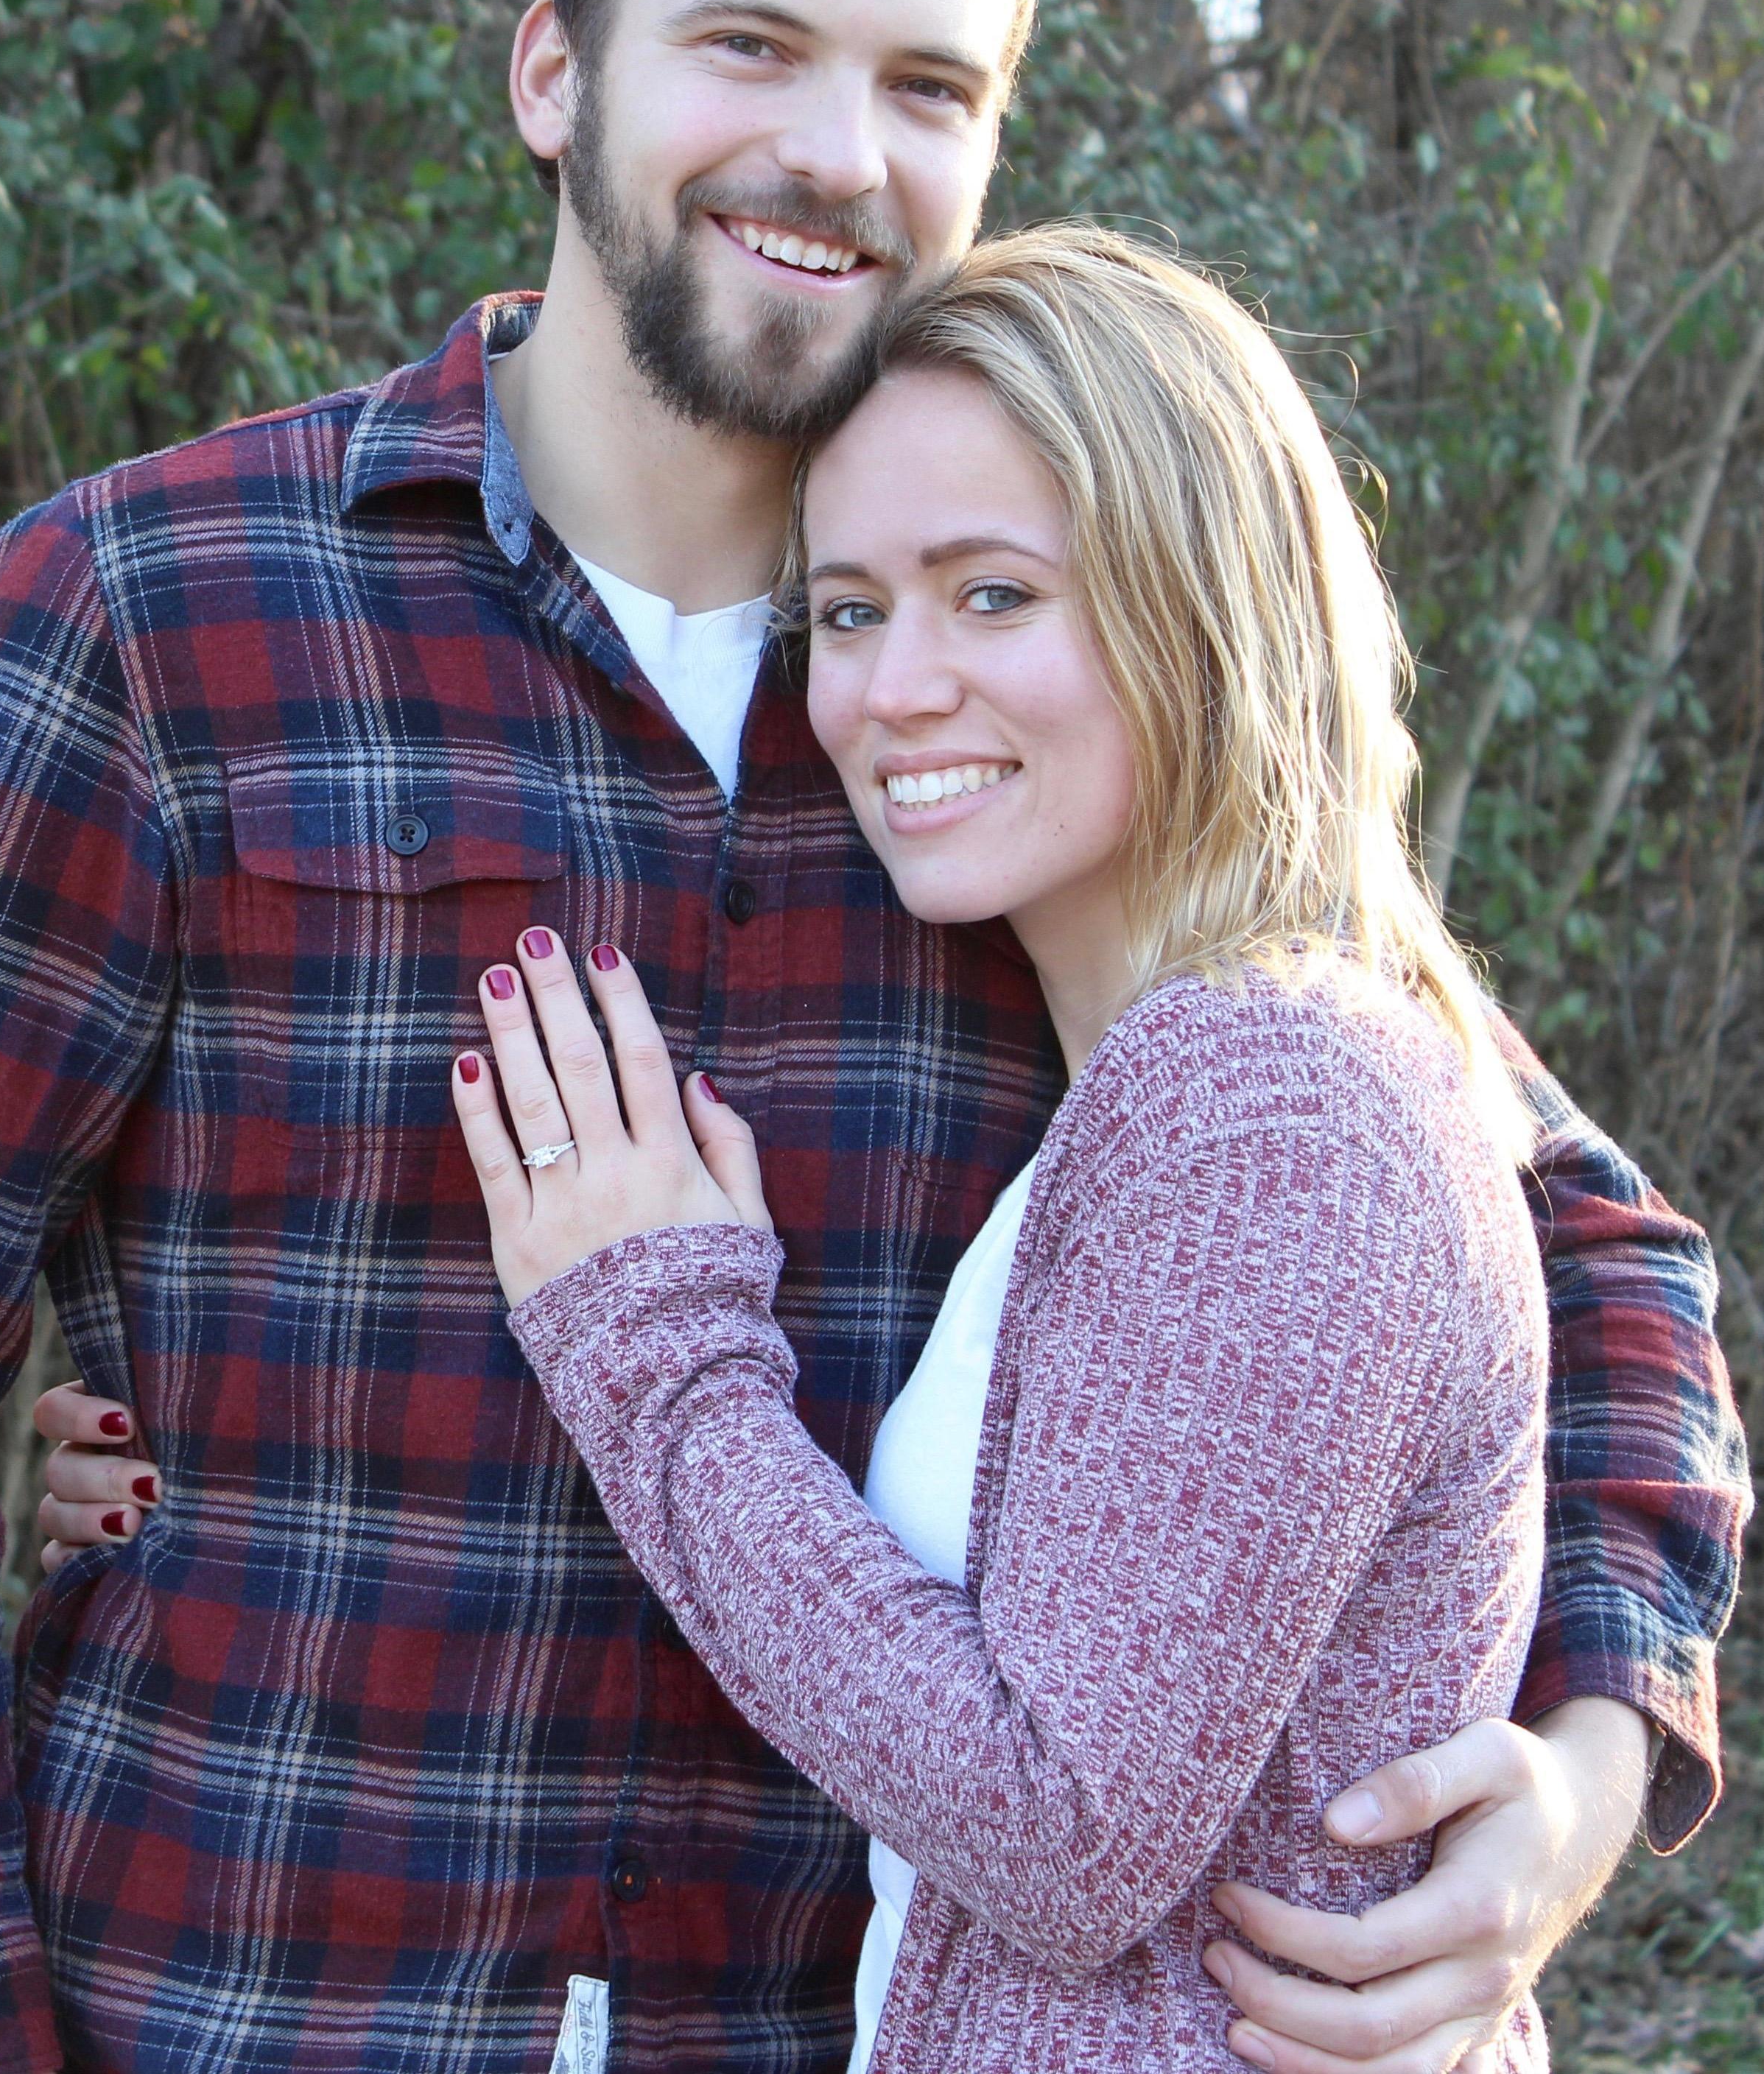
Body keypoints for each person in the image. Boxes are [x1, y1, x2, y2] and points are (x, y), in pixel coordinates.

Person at [0, 0, 1748, 2074]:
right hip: (240, 2001)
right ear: (553, 71)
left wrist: (1582, 1764)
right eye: (749, 43)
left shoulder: (1028, 713)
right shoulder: (154, 613)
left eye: (926, 85)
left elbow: (1571, 1248)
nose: (838, 151)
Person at [450, 225, 1555, 2070]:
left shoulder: (1270, 1099)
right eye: (847, 610)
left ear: (1200, 604)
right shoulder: (1174, 1071)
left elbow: (1064, 1827)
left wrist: (658, 1349)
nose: (890, 690)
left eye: (990, 593)